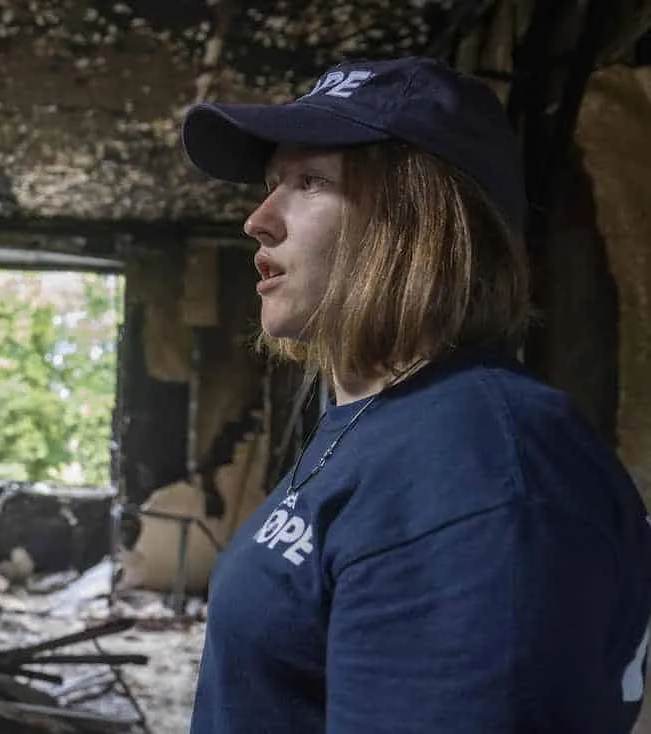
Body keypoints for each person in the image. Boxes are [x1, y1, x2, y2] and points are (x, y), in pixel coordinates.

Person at [179, 55, 651, 733]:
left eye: (310, 181)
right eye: (270, 183)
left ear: (418, 221)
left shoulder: (476, 464)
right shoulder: (383, 423)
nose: (258, 219)